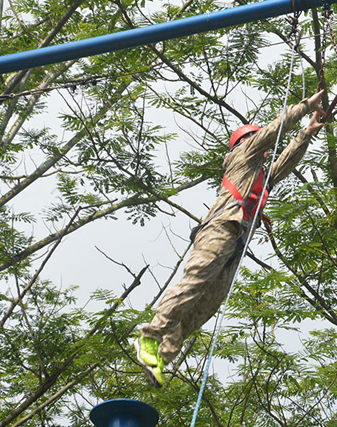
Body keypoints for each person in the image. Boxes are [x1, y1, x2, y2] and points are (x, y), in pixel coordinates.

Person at [135, 90, 326, 387]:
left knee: (205, 305)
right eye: (257, 142)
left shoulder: (259, 176)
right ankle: (150, 336)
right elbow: (271, 133)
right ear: (245, 143)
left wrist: (307, 133)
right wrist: (303, 108)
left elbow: (284, 164)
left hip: (234, 246)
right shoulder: (241, 157)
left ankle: (162, 354)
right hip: (221, 229)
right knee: (195, 282)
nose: (265, 149)